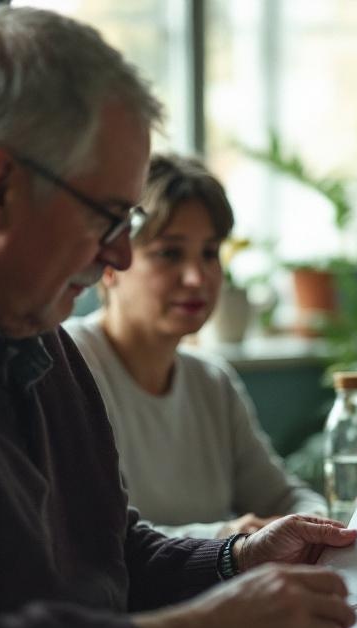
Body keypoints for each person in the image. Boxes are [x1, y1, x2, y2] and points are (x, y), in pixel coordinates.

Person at [0, 7, 357, 628]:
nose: (121, 258)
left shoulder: (33, 327)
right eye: (108, 217)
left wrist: (236, 558)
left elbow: (108, 553)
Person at [65, 154, 325, 539]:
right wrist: (226, 537)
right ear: (109, 263)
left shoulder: (212, 381)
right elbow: (91, 538)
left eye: (210, 253)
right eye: (170, 253)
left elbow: (286, 497)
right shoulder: (69, 363)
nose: (196, 277)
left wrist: (314, 524)